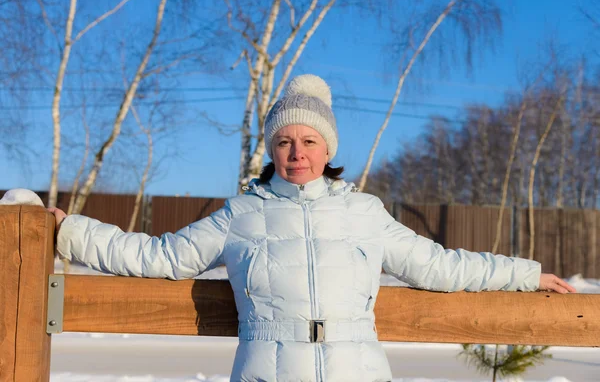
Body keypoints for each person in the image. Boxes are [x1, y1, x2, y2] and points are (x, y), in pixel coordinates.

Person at [49, 74, 576, 382]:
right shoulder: (242, 214)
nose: (296, 153)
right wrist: (70, 231)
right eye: (284, 142)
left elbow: (439, 265)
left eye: (309, 141)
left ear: (329, 149)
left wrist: (525, 274)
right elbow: (158, 257)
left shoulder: (364, 214)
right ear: (272, 149)